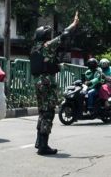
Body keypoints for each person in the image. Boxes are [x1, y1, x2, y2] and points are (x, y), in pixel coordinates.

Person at [30, 13, 80, 156]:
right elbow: (64, 35)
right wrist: (74, 24)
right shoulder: (47, 46)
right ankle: (43, 146)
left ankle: (39, 141)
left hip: (37, 83)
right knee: (48, 112)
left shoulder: (34, 48)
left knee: (42, 112)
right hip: (47, 84)